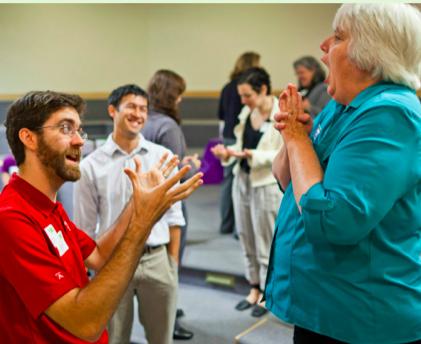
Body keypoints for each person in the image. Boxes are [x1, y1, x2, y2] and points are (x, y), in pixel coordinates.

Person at [265, 4, 421, 343]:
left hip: (360, 317)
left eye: (338, 36)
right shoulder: (342, 107)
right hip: (323, 306)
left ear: (371, 52)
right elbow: (286, 179)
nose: (323, 45)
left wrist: (296, 138)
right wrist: (294, 139)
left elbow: (333, 220)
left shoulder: (389, 114)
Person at [0, 90, 202, 343]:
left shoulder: (48, 206)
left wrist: (137, 205)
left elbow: (98, 256)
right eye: (65, 128)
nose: (79, 141)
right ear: (29, 137)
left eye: (79, 131)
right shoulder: (11, 218)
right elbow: (85, 323)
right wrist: (143, 220)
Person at [73, 84, 187, 344]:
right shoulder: (91, 166)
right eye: (131, 107)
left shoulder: (163, 157)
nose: (138, 114)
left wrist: (172, 265)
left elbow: (175, 218)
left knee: (162, 339)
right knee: (113, 339)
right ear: (112, 110)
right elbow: (84, 229)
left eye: (143, 108)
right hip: (111, 262)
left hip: (157, 260)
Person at [212, 67, 283, 317]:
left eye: (247, 95)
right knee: (245, 236)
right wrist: (228, 154)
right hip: (242, 180)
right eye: (241, 96)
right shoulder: (247, 112)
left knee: (265, 241)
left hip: (266, 185)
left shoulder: (281, 115)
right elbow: (240, 145)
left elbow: (284, 155)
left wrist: (254, 155)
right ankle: (253, 288)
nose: (243, 101)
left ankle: (267, 293)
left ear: (263, 90)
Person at [142, 70, 200, 340]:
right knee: (172, 263)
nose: (180, 100)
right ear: (172, 95)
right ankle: (170, 318)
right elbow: (177, 173)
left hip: (146, 203)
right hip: (170, 204)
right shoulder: (168, 126)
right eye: (179, 94)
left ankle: (163, 312)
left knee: (157, 263)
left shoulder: (143, 121)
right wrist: (193, 166)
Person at [217, 52, 261, 234]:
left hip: (228, 135)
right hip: (243, 136)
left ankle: (226, 225)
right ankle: (240, 229)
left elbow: (220, 113)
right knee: (243, 179)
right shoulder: (250, 88)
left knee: (228, 181)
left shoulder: (227, 87)